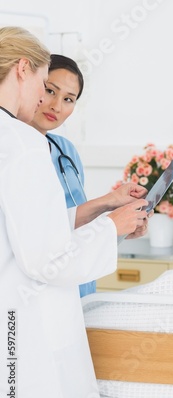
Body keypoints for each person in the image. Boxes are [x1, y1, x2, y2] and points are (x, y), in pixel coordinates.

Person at [0, 26, 148, 398]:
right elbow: (46, 258)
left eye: (69, 99)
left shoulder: (28, 143)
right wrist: (111, 227)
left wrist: (110, 212)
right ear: (23, 70)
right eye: (44, 86)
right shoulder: (22, 142)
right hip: (24, 312)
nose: (47, 100)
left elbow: (23, 228)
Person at [29, 54, 147, 297]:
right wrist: (109, 213)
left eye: (69, 99)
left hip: (82, 283)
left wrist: (118, 224)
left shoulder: (66, 151)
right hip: (47, 287)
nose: (57, 106)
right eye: (51, 91)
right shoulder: (15, 153)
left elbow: (77, 220)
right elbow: (39, 231)